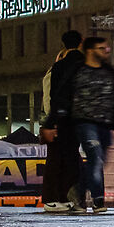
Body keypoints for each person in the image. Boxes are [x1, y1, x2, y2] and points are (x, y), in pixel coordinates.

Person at [61, 36, 114, 215]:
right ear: (90, 51)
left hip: (105, 124)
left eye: (106, 48)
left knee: (96, 162)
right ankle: (98, 200)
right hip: (84, 122)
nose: (106, 51)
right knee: (95, 156)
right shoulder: (77, 71)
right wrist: (53, 121)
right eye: (101, 48)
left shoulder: (109, 71)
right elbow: (63, 95)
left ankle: (78, 193)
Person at [38, 31, 84, 213]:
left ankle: (51, 199)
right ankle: (67, 198)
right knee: (71, 157)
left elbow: (53, 97)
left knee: (55, 159)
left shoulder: (58, 67)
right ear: (80, 44)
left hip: (60, 118)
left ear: (64, 47)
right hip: (79, 119)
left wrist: (50, 122)